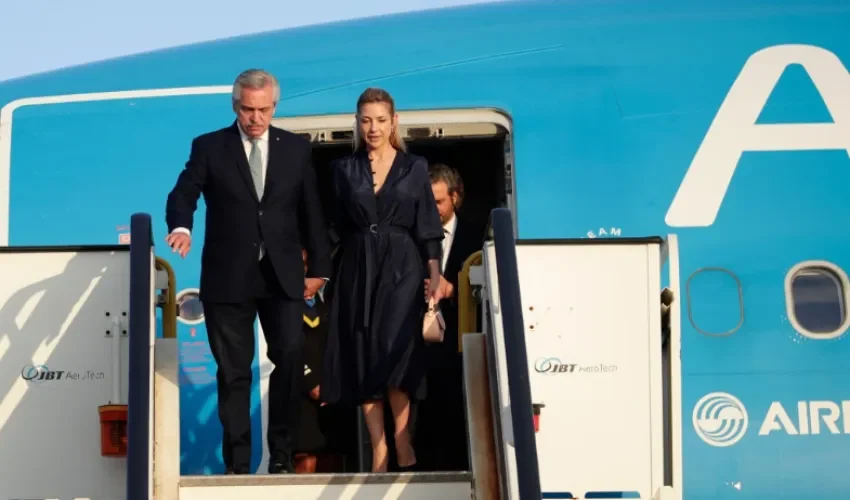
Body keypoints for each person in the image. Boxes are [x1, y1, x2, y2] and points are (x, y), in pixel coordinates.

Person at [164, 69, 332, 475]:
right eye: (247, 109)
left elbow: (311, 208)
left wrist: (321, 268)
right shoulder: (210, 146)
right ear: (235, 105)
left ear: (274, 106)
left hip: (283, 274)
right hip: (228, 276)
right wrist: (181, 226)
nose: (255, 118)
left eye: (263, 110)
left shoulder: (295, 148)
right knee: (234, 372)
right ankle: (238, 462)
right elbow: (184, 191)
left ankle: (281, 453)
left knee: (290, 355)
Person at [320, 87, 448, 473]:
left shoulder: (416, 168)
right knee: (363, 355)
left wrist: (435, 275)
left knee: (397, 352)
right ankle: (378, 450)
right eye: (364, 120)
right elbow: (332, 229)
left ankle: (402, 439)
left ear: (394, 121)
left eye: (379, 120)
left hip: (402, 268)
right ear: (357, 123)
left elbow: (428, 227)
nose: (372, 128)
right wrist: (312, 268)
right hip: (358, 267)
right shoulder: (343, 170)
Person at [417, 163, 485, 472]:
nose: (431, 209)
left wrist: (453, 290)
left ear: (455, 198)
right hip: (418, 347)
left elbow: (492, 288)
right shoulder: (411, 236)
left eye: (439, 202)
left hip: (462, 344)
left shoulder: (479, 234)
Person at [295, 249, 357, 473]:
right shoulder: (285, 305)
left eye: (307, 265)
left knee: (335, 454)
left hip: (333, 393)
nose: (304, 271)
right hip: (303, 392)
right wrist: (310, 381)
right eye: (299, 265)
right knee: (306, 454)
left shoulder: (330, 300)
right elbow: (289, 348)